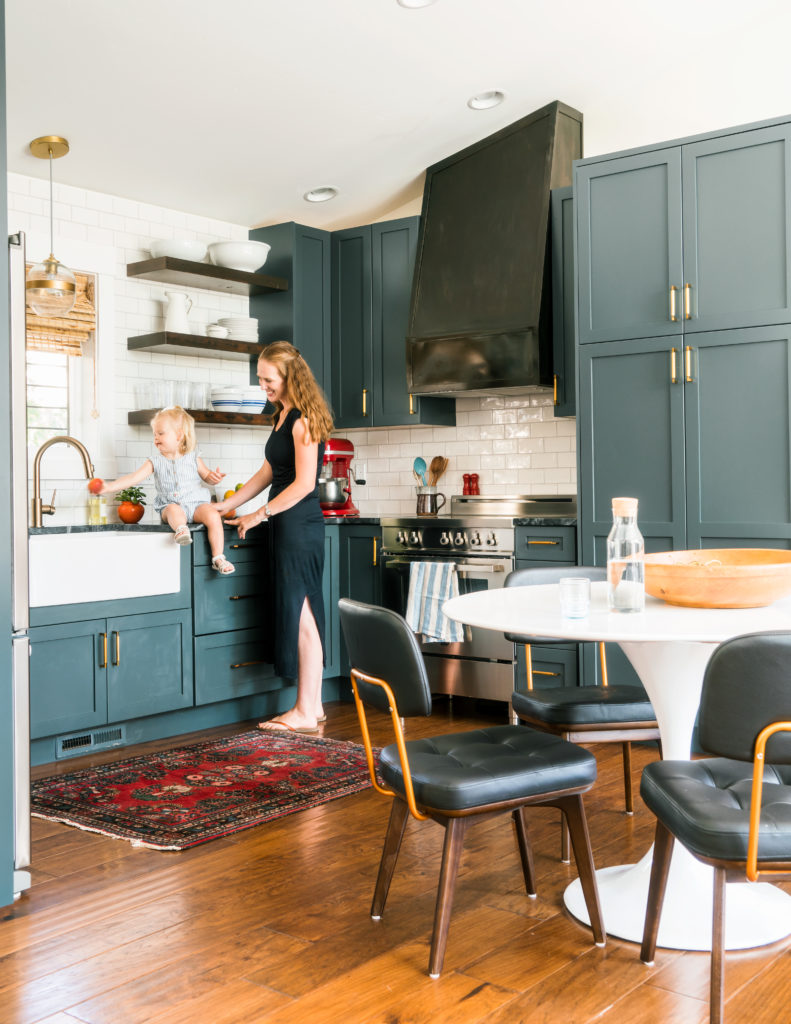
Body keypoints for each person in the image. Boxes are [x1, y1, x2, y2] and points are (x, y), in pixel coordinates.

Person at [215, 341, 333, 733]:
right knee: (302, 615)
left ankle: (302, 709)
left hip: (299, 526)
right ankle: (312, 707)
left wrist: (259, 513)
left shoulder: (303, 421)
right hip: (286, 525)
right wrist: (227, 505)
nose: (263, 385)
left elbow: (301, 485)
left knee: (302, 616)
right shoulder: (282, 415)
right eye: (260, 378)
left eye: (268, 379)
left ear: (289, 377)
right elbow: (268, 473)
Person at [96, 405, 235, 574]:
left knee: (213, 515)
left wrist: (213, 478)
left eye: (161, 433)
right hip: (170, 505)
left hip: (197, 504)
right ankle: (181, 529)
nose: (156, 438)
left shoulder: (194, 458)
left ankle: (218, 557)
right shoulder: (154, 462)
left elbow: (207, 477)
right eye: (154, 434)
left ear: (179, 435)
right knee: (174, 510)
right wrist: (108, 486)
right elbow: (133, 478)